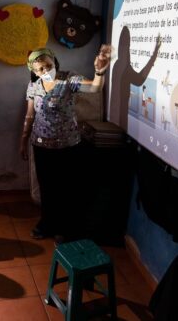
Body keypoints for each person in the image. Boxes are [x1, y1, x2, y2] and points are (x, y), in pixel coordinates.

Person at [20, 46, 112, 241]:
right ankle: (47, 224)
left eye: (48, 66)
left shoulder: (68, 79)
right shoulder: (34, 85)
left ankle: (65, 228)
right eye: (40, 69)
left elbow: (94, 88)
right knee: (46, 187)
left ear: (55, 62)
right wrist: (23, 141)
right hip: (41, 145)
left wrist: (100, 71)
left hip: (68, 146)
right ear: (34, 71)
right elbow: (29, 115)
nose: (45, 71)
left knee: (67, 189)